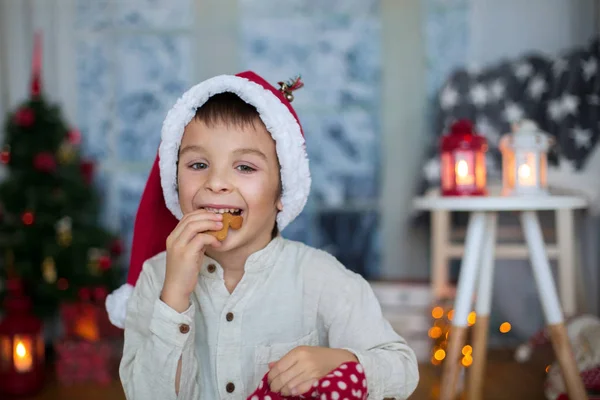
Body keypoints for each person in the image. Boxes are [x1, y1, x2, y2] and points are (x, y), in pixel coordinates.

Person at [105, 71, 419, 400]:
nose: (216, 183)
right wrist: (174, 298)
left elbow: (401, 367)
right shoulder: (156, 279)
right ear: (173, 179)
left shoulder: (320, 277)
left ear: (283, 190)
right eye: (198, 165)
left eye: (245, 167)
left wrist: (341, 360)